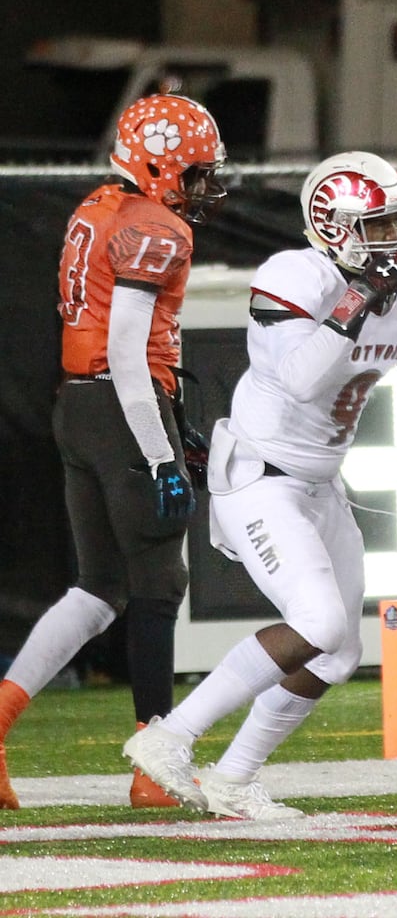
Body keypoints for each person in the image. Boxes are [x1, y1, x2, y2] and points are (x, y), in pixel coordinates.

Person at [123, 151, 397, 819]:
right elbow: (300, 377)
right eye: (378, 227)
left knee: (338, 652)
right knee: (319, 622)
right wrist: (355, 301)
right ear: (332, 228)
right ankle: (169, 737)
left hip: (321, 484)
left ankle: (234, 779)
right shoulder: (293, 275)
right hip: (259, 475)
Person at [0, 94, 226, 811]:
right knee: (159, 584)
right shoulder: (156, 229)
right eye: (192, 173)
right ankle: (155, 765)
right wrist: (161, 453)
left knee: (99, 590)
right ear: (157, 165)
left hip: (78, 406)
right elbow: (128, 350)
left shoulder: (99, 205)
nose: (200, 188)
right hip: (122, 405)